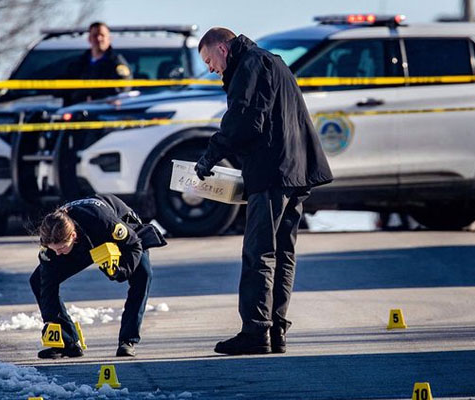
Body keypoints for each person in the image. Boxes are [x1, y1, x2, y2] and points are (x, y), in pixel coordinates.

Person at [195, 28, 334, 355]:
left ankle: (256, 332)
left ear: (223, 48)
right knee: (283, 252)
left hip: (272, 172)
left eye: (209, 60)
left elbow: (244, 121)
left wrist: (210, 156)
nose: (210, 69)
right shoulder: (273, 62)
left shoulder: (250, 65)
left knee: (260, 252)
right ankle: (276, 332)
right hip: (296, 172)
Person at [29, 194, 166, 359]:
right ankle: (68, 343)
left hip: (121, 234)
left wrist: (122, 271)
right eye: (54, 249)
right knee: (38, 281)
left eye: (61, 248)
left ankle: (127, 341)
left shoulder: (103, 221)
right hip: (82, 242)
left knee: (143, 275)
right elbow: (46, 284)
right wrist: (54, 326)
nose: (57, 253)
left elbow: (134, 244)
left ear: (72, 236)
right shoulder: (50, 240)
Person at [62, 21, 133, 105]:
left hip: (104, 110)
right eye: (95, 35)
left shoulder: (117, 63)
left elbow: (122, 87)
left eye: (102, 35)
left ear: (109, 39)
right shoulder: (79, 63)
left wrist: (96, 97)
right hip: (79, 109)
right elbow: (68, 87)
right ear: (89, 39)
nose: (99, 38)